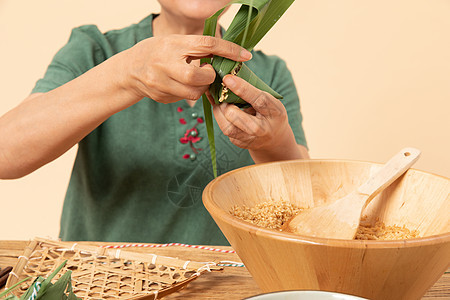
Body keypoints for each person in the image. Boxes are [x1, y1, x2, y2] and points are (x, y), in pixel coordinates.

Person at [0, 0, 309, 245]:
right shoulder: (96, 50)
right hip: (101, 286)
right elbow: (6, 152)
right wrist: (128, 74)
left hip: (226, 287)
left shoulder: (268, 74)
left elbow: (305, 206)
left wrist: (274, 141)